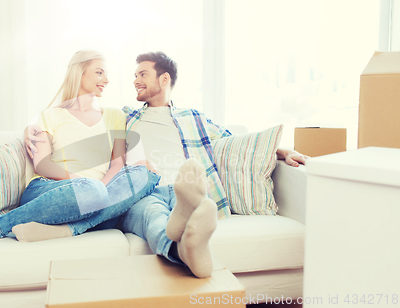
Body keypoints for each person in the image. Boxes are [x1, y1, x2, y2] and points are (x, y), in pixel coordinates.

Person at [22, 51, 310, 278]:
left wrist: (280, 150)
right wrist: (30, 130)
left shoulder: (194, 117)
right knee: (151, 215)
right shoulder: (125, 117)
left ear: (164, 79)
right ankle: (180, 248)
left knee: (187, 199)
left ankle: (189, 217)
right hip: (145, 193)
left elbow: (233, 141)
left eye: (143, 74)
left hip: (187, 188)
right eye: (134, 74)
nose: (135, 80)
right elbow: (79, 125)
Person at [0, 50, 160, 246]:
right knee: (96, 195)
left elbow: (117, 164)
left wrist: (99, 192)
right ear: (79, 72)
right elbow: (43, 164)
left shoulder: (115, 116)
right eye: (100, 72)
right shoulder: (50, 115)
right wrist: (84, 185)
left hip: (97, 196)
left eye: (107, 74)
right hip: (50, 190)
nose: (107, 79)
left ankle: (66, 229)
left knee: (144, 174)